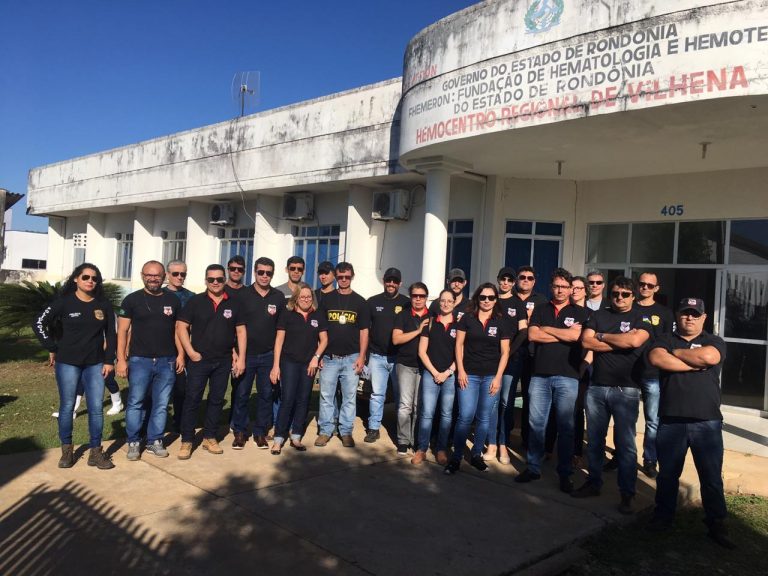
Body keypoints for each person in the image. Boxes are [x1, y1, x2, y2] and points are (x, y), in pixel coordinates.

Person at [648, 298, 734, 548]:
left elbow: (709, 357)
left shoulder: (714, 340)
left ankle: (717, 524)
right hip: (671, 420)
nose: (690, 318)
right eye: (685, 313)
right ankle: (662, 518)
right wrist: (693, 363)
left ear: (704, 317)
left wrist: (677, 354)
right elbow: (657, 359)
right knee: (667, 475)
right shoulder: (665, 339)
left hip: (707, 422)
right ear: (677, 315)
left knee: (711, 477)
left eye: (695, 314)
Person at [573, 276, 651, 514]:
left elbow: (635, 341)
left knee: (625, 444)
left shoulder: (640, 317)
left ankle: (627, 493)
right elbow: (586, 342)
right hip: (597, 387)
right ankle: (593, 482)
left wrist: (602, 336)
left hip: (626, 390)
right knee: (595, 441)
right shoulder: (599, 315)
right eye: (616, 293)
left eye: (625, 294)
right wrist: (620, 341)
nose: (620, 298)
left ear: (633, 296)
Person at [33, 263, 117, 470]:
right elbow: (38, 323)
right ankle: (67, 451)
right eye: (85, 277)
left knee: (96, 408)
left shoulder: (103, 305)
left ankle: (96, 452)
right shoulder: (63, 303)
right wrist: (52, 346)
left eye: (94, 278)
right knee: (67, 406)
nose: (90, 281)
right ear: (76, 279)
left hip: (95, 364)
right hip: (67, 363)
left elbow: (111, 335)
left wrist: (109, 361)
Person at [515, 268, 588, 493]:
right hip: (540, 375)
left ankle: (565, 473)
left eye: (564, 287)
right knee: (536, 424)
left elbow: (576, 336)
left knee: (566, 427)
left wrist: (547, 330)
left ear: (571, 289)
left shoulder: (581, 313)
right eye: (556, 286)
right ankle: (533, 467)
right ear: (550, 287)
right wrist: (562, 332)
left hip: (568, 376)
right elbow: (533, 335)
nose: (560, 290)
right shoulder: (541, 309)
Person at [176, 264, 246, 459]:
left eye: (219, 279)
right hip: (199, 360)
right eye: (211, 279)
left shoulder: (234, 303)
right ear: (206, 280)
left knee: (216, 400)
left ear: (225, 280)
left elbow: (241, 331)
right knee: (192, 399)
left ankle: (210, 437)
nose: (215, 283)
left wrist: (241, 357)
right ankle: (187, 440)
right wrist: (190, 352)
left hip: (223, 360)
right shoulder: (195, 301)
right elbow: (181, 327)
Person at [116, 260, 183, 461]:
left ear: (164, 277)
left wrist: (180, 354)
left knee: (161, 404)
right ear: (142, 275)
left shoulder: (173, 300)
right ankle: (133, 442)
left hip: (167, 360)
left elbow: (178, 330)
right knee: (136, 402)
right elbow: (122, 331)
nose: (153, 278)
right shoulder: (131, 300)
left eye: (157, 275)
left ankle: (155, 440)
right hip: (140, 360)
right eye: (149, 275)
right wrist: (121, 359)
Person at [444, 283, 511, 475]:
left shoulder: (501, 321)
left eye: (491, 297)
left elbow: (505, 352)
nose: (487, 301)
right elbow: (459, 345)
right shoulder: (467, 318)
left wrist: (498, 378)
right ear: (477, 298)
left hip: (491, 376)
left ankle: (476, 455)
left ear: (496, 300)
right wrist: (461, 371)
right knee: (465, 416)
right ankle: (456, 457)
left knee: (484, 418)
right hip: (469, 376)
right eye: (483, 297)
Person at [231, 257, 285, 449]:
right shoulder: (242, 295)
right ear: (254, 272)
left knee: (266, 395)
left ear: (272, 274)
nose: (264, 276)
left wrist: (276, 362)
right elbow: (233, 327)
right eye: (261, 272)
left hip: (268, 355)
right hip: (245, 355)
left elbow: (280, 330)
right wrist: (235, 353)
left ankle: (260, 432)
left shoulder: (278, 296)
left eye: (268, 273)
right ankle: (240, 432)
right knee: (241, 394)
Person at [315, 262, 370, 448]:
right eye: (340, 277)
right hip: (329, 357)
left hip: (351, 358)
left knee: (349, 397)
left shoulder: (360, 302)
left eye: (347, 277)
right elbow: (320, 329)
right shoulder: (326, 300)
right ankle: (325, 431)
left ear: (352, 276)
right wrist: (319, 354)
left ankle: (346, 431)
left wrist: (362, 356)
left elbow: (364, 331)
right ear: (336, 277)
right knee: (326, 396)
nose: (344, 280)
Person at [269, 283, 328, 454]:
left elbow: (324, 340)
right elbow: (279, 341)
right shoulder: (287, 314)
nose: (306, 299)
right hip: (289, 363)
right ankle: (279, 438)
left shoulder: (317, 315)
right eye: (302, 297)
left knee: (303, 399)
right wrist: (276, 366)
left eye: (309, 297)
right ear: (296, 298)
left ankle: (296, 436)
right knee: (287, 399)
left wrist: (316, 358)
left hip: (308, 365)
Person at [633, 271, 675, 479]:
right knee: (626, 419)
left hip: (653, 373)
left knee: (652, 420)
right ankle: (622, 455)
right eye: (642, 284)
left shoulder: (665, 313)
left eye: (650, 285)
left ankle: (650, 459)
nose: (645, 288)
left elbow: (670, 343)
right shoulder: (628, 307)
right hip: (629, 372)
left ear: (656, 288)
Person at [487, 266, 528, 463]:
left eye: (509, 280)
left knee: (506, 402)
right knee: (491, 402)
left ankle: (503, 442)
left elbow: (523, 331)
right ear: (498, 280)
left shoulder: (518, 303)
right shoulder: (490, 300)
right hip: (490, 360)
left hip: (512, 361)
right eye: (502, 279)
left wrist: (509, 352)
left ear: (513, 283)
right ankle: (491, 442)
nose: (505, 282)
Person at [413, 289, 457, 466]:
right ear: (439, 302)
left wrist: (447, 373)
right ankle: (422, 449)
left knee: (446, 414)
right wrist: (435, 372)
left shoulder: (459, 325)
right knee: (427, 413)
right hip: (430, 374)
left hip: (450, 376)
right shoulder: (430, 323)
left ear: (454, 303)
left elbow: (461, 354)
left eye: (449, 301)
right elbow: (422, 351)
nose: (446, 304)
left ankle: (441, 449)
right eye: (443, 300)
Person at [365, 267, 409, 443]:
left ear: (400, 283)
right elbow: (365, 330)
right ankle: (373, 428)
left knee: (401, 396)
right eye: (388, 280)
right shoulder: (372, 302)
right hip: (377, 356)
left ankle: (400, 430)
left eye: (395, 281)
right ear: (383, 281)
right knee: (377, 395)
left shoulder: (406, 303)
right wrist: (366, 355)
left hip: (399, 358)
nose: (391, 284)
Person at [510, 266, 548, 450]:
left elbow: (544, 327)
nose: (526, 280)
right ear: (517, 280)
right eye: (522, 277)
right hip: (510, 354)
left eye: (529, 278)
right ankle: (504, 437)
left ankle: (526, 439)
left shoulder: (541, 300)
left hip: (532, 355)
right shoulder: (508, 297)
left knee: (529, 398)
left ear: (534, 281)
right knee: (506, 398)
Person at [392, 282, 430, 455]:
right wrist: (418, 331)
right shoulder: (403, 315)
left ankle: (415, 440)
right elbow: (396, 339)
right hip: (405, 365)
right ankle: (403, 441)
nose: (418, 299)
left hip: (424, 367)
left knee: (418, 406)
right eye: (415, 296)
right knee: (405, 405)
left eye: (421, 296)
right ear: (411, 297)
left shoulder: (433, 316)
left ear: (426, 298)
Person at [163, 259, 195, 431]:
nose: (179, 277)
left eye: (183, 274)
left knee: (181, 389)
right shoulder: (159, 294)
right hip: (161, 348)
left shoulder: (191, 297)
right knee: (158, 389)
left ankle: (179, 422)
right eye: (175, 274)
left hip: (183, 347)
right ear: (167, 275)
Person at [570, 275, 591, 466]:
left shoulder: (591, 314)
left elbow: (592, 343)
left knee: (578, 409)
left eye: (579, 288)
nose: (575, 290)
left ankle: (576, 450)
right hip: (563, 364)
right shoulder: (563, 310)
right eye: (572, 287)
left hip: (582, 366)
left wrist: (585, 365)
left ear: (586, 291)